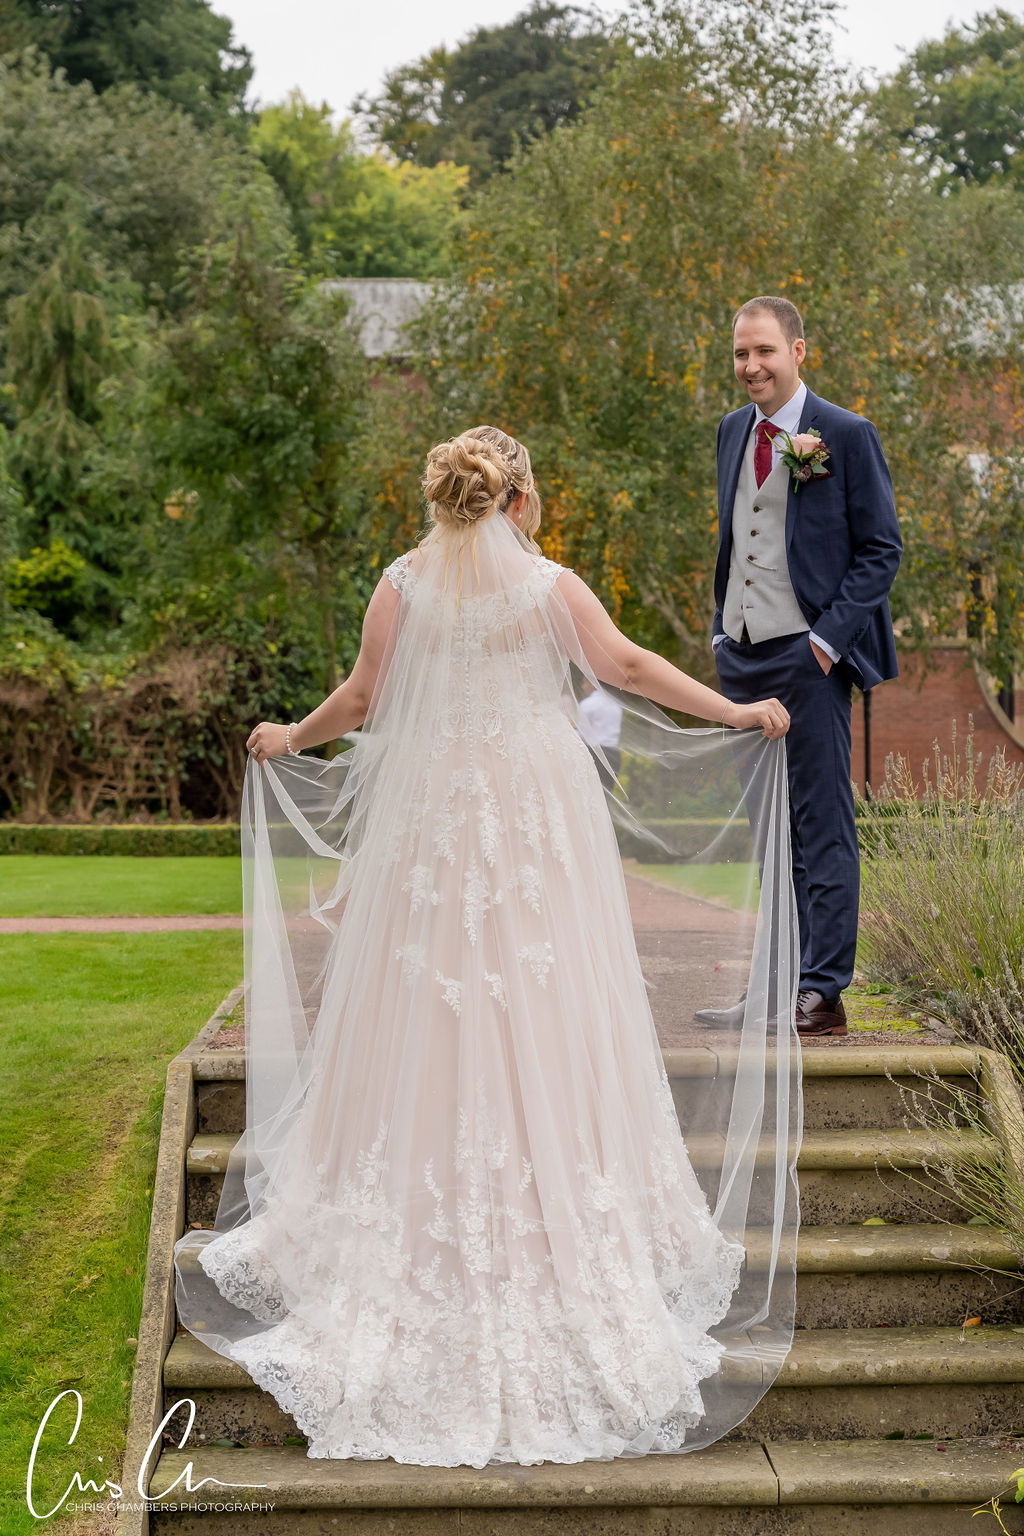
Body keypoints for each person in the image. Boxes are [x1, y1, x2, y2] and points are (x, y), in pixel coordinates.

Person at [172, 426, 802, 1470]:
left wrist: (292, 733)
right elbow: (630, 666)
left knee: (420, 1000)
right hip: (533, 821)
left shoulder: (401, 585)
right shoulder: (547, 588)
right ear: (517, 499)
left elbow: (365, 698)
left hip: (431, 819)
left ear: (445, 499)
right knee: (550, 999)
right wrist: (734, 706)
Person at [701, 296, 902, 1039]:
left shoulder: (845, 435)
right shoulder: (730, 432)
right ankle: (772, 987)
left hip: (809, 657)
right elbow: (736, 541)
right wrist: (722, 635)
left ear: (798, 351)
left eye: (765, 352)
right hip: (743, 657)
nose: (751, 367)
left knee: (821, 828)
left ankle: (823, 993)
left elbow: (882, 549)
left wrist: (824, 643)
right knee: (767, 833)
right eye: (740, 354)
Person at [576, 678, 624, 791]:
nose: (583, 686)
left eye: (585, 682)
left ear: (593, 684)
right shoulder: (615, 705)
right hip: (613, 754)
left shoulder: (588, 704)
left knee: (591, 792)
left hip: (594, 754)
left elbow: (582, 734)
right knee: (607, 794)